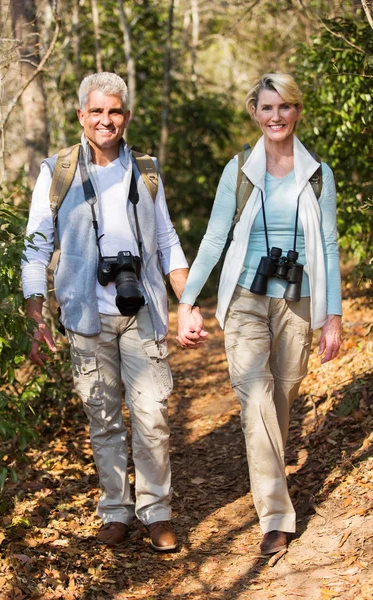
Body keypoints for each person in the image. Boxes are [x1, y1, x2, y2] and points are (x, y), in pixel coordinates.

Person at [22, 72, 204, 552]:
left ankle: (157, 510)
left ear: (126, 116)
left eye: (115, 111)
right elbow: (36, 246)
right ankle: (115, 510)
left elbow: (167, 241)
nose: (107, 120)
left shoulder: (145, 169)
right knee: (103, 418)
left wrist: (187, 302)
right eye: (97, 111)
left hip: (142, 310)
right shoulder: (55, 172)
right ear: (81, 115)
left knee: (152, 415)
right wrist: (35, 313)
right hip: (84, 316)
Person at [177, 73, 342, 555]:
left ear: (297, 111)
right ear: (254, 112)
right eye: (266, 107)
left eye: (285, 107)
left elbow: (329, 246)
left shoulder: (318, 174)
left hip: (299, 297)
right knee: (255, 396)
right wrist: (188, 300)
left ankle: (272, 478)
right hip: (246, 296)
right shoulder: (239, 171)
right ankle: (276, 514)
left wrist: (332, 315)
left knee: (282, 397)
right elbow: (213, 238)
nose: (276, 116)